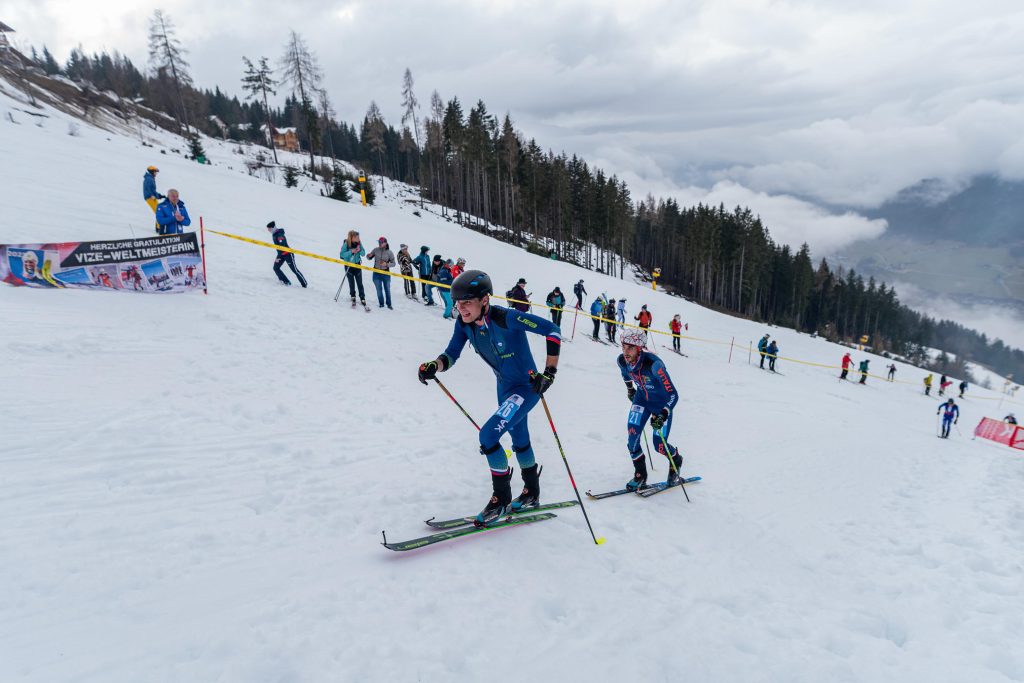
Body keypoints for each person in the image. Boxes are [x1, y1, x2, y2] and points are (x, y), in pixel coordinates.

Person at [417, 270, 562, 525]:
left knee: (488, 435)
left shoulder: (507, 318)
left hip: (526, 389)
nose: (460, 308)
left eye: (467, 302)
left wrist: (549, 373)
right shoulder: (463, 324)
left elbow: (552, 330)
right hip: (504, 388)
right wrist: (434, 365)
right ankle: (531, 493)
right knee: (520, 439)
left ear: (484, 300)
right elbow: (451, 354)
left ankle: (501, 499)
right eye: (457, 302)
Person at [617, 329, 683, 491]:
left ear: (639, 348)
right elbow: (625, 374)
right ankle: (640, 474)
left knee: (659, 445)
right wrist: (630, 390)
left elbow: (673, 394)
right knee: (632, 439)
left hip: (661, 404)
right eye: (623, 347)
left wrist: (663, 414)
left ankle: (676, 460)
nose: (626, 352)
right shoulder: (622, 360)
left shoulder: (654, 365)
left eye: (630, 348)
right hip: (641, 400)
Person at [267, 221, 307, 287]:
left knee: (294, 270)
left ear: (273, 228)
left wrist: (279, 257)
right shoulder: (274, 234)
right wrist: (279, 256)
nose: (268, 230)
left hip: (288, 254)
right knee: (276, 268)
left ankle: (304, 284)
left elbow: (282, 246)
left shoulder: (279, 235)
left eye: (269, 229)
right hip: (281, 254)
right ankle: (286, 282)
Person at [340, 229, 367, 308]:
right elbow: (342, 255)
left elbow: (363, 253)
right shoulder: (346, 244)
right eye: (357, 237)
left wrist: (359, 250)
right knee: (351, 282)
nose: (358, 239)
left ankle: (362, 297)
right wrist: (351, 251)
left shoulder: (359, 243)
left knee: (360, 282)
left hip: (357, 265)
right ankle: (353, 296)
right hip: (348, 265)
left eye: (358, 237)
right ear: (352, 237)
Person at [366, 236, 395, 309]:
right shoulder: (375, 250)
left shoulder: (389, 252)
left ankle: (389, 304)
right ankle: (381, 304)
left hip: (386, 273)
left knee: (387, 289)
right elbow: (369, 257)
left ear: (385, 243)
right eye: (379, 242)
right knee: (379, 290)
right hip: (376, 273)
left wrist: (386, 264)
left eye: (381, 242)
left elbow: (394, 263)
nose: (380, 243)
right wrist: (368, 256)